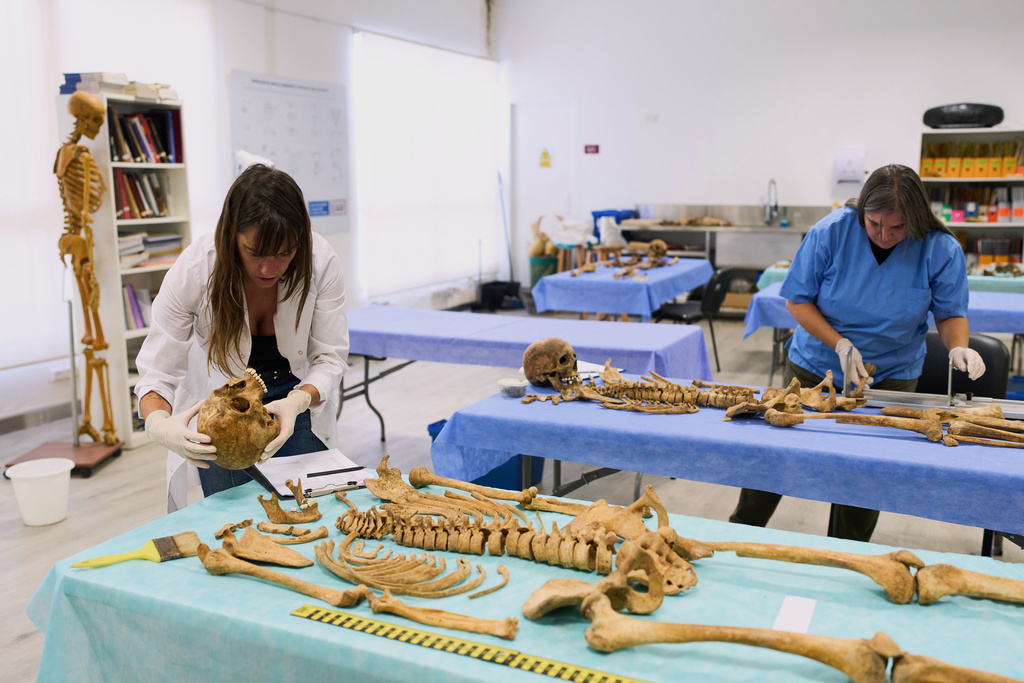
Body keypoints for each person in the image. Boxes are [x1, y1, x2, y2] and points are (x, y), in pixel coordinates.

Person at [729, 163, 985, 542]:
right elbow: (798, 302)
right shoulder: (831, 232)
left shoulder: (939, 248)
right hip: (817, 366)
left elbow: (948, 313)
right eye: (874, 224)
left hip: (892, 376)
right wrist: (841, 345)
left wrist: (959, 347)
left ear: (916, 220)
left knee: (867, 471)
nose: (883, 235)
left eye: (897, 228)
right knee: (777, 456)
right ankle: (740, 532)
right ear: (862, 210)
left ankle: (849, 554)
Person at [134, 164, 349, 512]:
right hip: (222, 412)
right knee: (233, 519)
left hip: (296, 400)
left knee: (310, 515)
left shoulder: (320, 261)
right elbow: (156, 372)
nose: (269, 269)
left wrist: (297, 403)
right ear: (230, 236)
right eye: (255, 253)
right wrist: (159, 425)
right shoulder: (194, 270)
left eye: (284, 253)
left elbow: (330, 357)